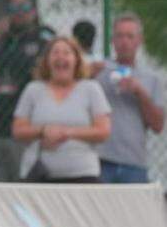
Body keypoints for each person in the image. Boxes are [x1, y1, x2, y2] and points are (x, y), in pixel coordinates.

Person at [0, 0, 55, 182]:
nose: (19, 14)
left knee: (21, 186)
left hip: (26, 127)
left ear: (33, 12)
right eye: (13, 9)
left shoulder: (42, 39)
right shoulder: (0, 42)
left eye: (24, 8)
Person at [12, 37, 111, 182]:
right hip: (39, 176)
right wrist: (43, 131)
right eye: (55, 53)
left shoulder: (91, 89)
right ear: (47, 60)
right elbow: (18, 130)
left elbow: (103, 131)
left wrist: (67, 133)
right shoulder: (33, 89)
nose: (61, 57)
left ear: (76, 60)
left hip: (83, 175)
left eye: (66, 53)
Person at [94, 13, 165, 183]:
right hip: (100, 160)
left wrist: (140, 92)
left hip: (134, 163)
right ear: (112, 40)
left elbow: (157, 125)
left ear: (139, 40)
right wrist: (86, 75)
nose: (124, 42)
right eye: (119, 36)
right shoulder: (99, 71)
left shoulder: (151, 79)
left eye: (130, 36)